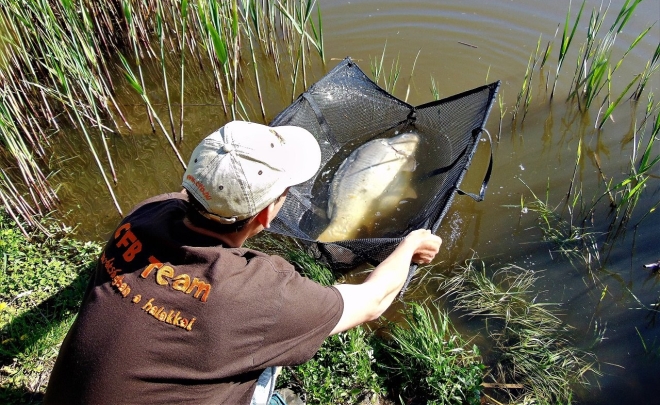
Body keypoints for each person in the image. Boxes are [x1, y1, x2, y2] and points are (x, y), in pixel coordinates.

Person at [44, 120, 441, 405]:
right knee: (267, 353)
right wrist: (408, 246)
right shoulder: (258, 293)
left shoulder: (144, 214)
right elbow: (372, 301)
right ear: (268, 217)